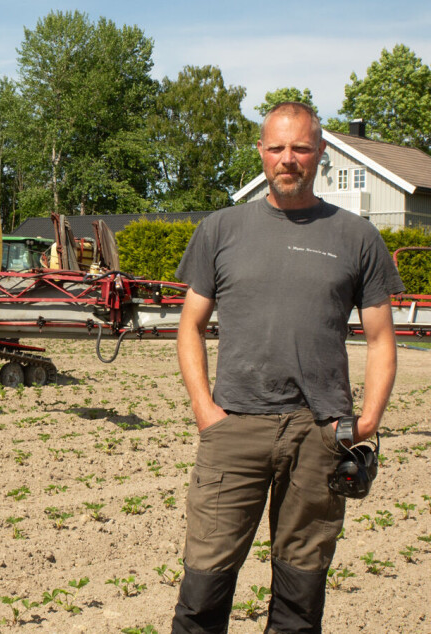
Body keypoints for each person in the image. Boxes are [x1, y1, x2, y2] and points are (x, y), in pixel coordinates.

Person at [171, 101, 404, 633]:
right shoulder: (221, 228)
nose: (288, 159)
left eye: (300, 147)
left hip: (319, 432)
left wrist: (366, 422)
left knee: (300, 598)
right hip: (235, 427)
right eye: (277, 148)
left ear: (320, 152)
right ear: (261, 152)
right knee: (202, 590)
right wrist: (205, 410)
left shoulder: (356, 236)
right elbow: (190, 326)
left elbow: (382, 338)